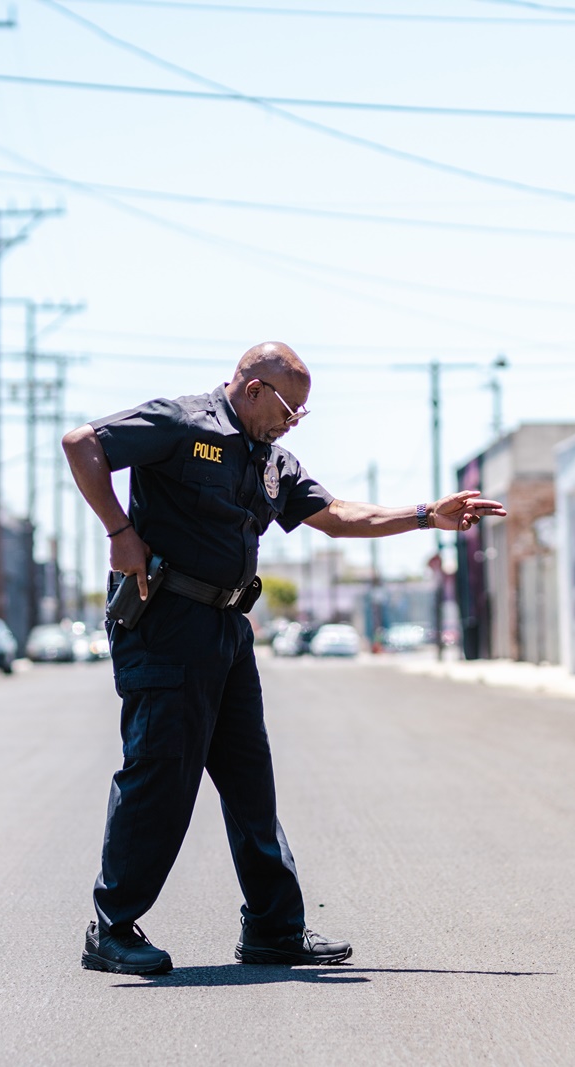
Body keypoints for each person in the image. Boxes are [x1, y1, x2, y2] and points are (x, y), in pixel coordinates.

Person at [62, 341, 506, 975]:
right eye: (289, 410)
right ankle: (111, 927)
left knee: (251, 782)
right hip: (165, 620)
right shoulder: (182, 422)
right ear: (252, 390)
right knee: (161, 775)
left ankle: (273, 929)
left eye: (300, 414)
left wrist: (426, 516)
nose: (293, 422)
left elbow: (338, 515)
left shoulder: (272, 463)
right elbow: (82, 445)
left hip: (227, 628)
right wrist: (119, 531)